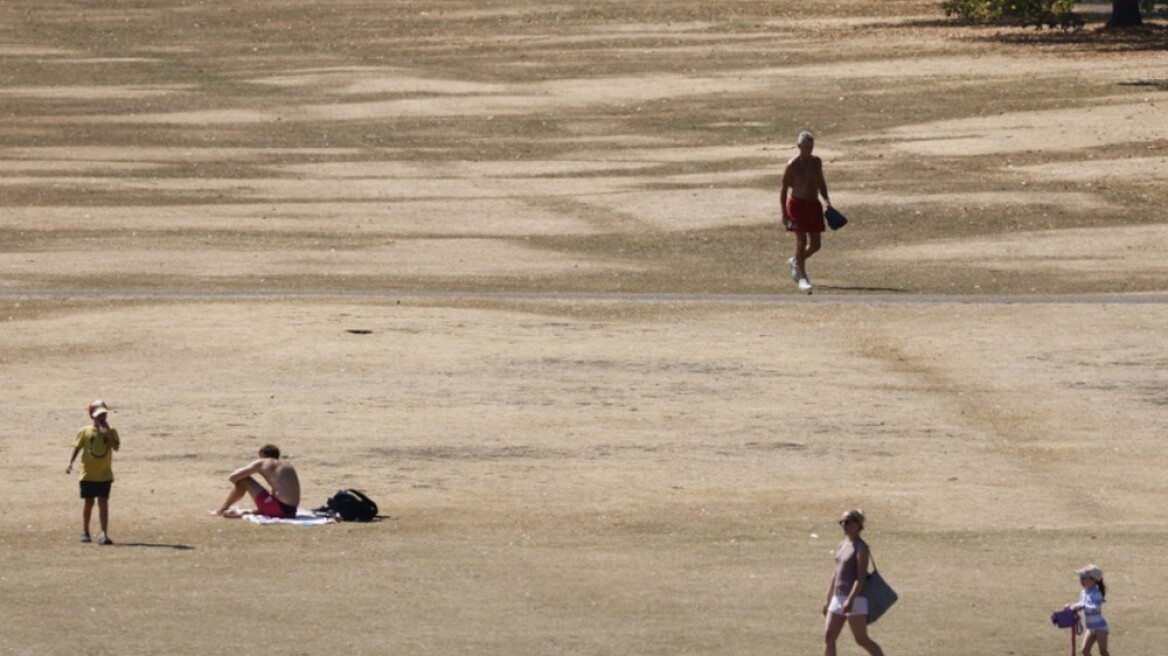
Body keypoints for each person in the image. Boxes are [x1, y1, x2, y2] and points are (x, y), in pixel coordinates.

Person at [822, 509, 885, 656]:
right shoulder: (842, 545)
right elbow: (836, 573)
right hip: (838, 598)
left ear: (858, 525)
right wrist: (828, 597)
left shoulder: (861, 548)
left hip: (855, 598)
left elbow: (861, 577)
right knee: (829, 637)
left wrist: (850, 599)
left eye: (848, 522)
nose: (844, 525)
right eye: (842, 522)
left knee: (861, 639)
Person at [780, 130, 832, 294]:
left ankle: (796, 261)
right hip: (797, 205)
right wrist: (784, 213)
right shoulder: (792, 165)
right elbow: (783, 190)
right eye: (806, 147)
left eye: (811, 146)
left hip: (813, 205)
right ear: (799, 146)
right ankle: (802, 277)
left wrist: (827, 202)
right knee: (801, 241)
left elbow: (821, 183)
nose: (809, 150)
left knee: (816, 244)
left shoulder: (816, 162)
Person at [66, 400, 121, 545]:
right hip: (88, 474)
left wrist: (108, 432)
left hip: (104, 474)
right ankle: (85, 530)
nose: (102, 418)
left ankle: (104, 533)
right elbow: (77, 447)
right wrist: (70, 462)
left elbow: (115, 447)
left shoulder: (112, 431)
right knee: (89, 502)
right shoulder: (85, 431)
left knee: (103, 502)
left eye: (104, 415)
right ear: (92, 416)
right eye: (99, 415)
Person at [211, 444, 301, 518]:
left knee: (244, 480)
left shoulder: (263, 462)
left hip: (279, 510)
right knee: (270, 493)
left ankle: (223, 509)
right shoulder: (287, 464)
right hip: (291, 510)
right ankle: (254, 512)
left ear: (263, 454)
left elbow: (233, 477)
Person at [1067, 565, 1111, 656]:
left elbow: (1095, 608)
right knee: (1084, 650)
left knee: (1103, 652)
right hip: (1090, 628)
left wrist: (1081, 606)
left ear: (1094, 580)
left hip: (1100, 627)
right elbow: (1081, 603)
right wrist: (1072, 606)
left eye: (1084, 578)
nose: (1081, 580)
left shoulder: (1097, 593)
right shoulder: (1083, 592)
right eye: (1081, 578)